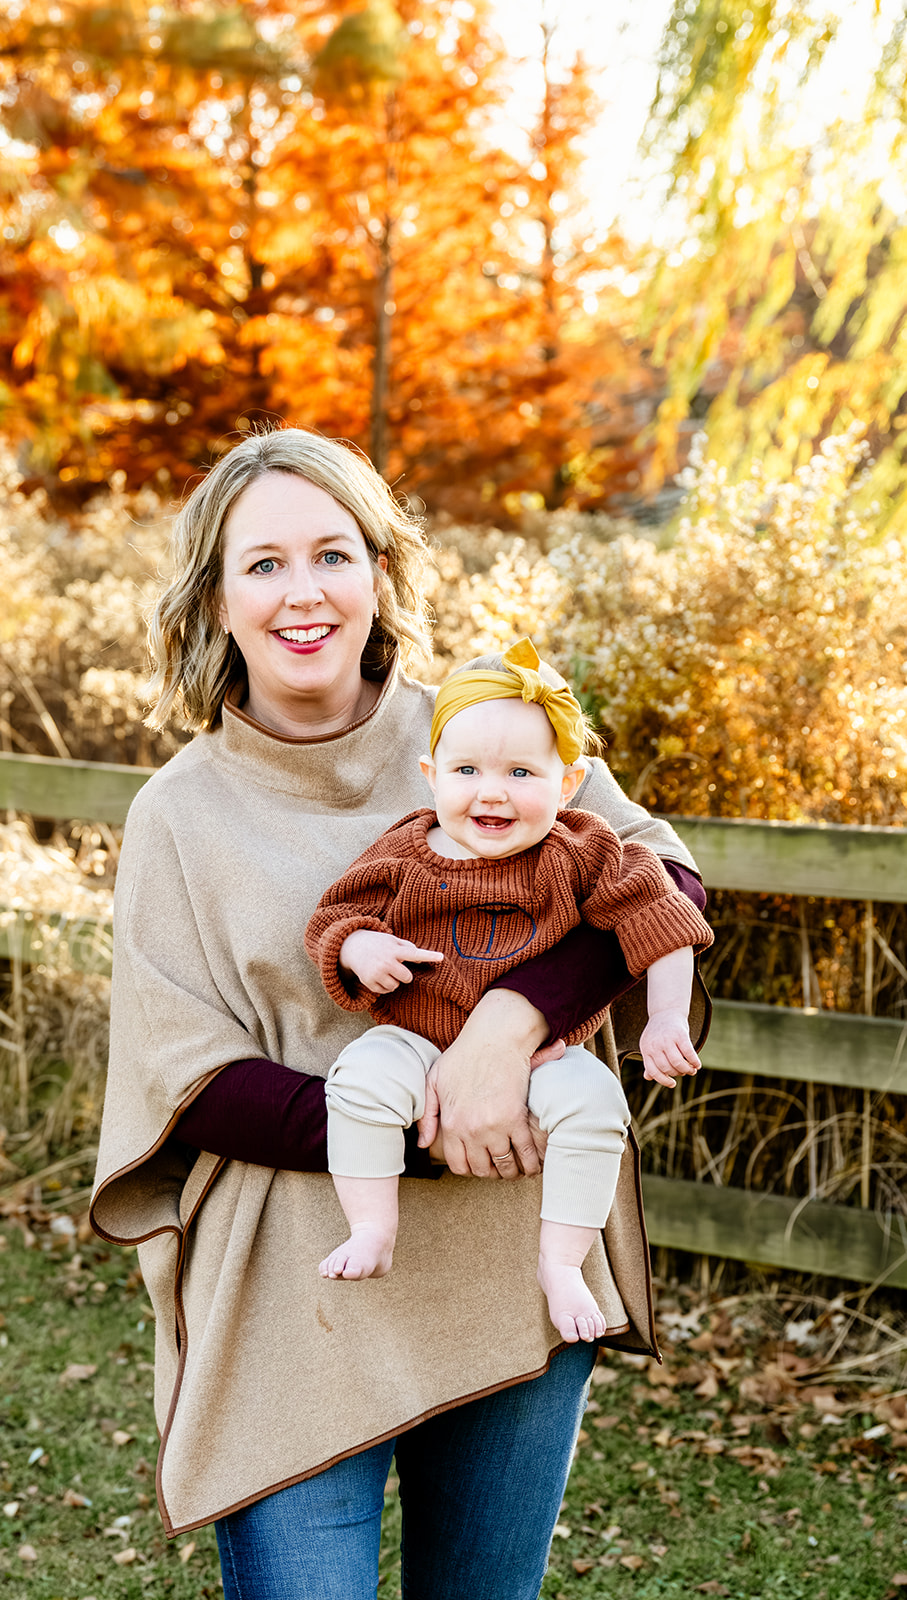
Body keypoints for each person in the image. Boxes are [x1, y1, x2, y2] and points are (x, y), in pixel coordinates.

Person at [89, 427, 711, 1600]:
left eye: (331, 552)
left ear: (379, 571)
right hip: (297, 1290)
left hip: (505, 1264)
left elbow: (659, 885)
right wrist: (430, 1121)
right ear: (212, 599)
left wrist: (509, 1024)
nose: (302, 592)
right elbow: (191, 1076)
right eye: (260, 564)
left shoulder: (482, 734)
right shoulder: (178, 814)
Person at [306, 638, 714, 1342]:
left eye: (520, 772)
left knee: (595, 1106)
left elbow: (664, 915)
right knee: (358, 1082)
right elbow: (332, 917)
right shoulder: (404, 849)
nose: (490, 791)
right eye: (466, 770)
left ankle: (560, 1264)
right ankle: (372, 1227)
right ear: (431, 776)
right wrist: (359, 947)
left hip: (541, 1061)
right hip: (413, 1037)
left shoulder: (582, 850)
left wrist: (663, 1017)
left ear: (567, 782)